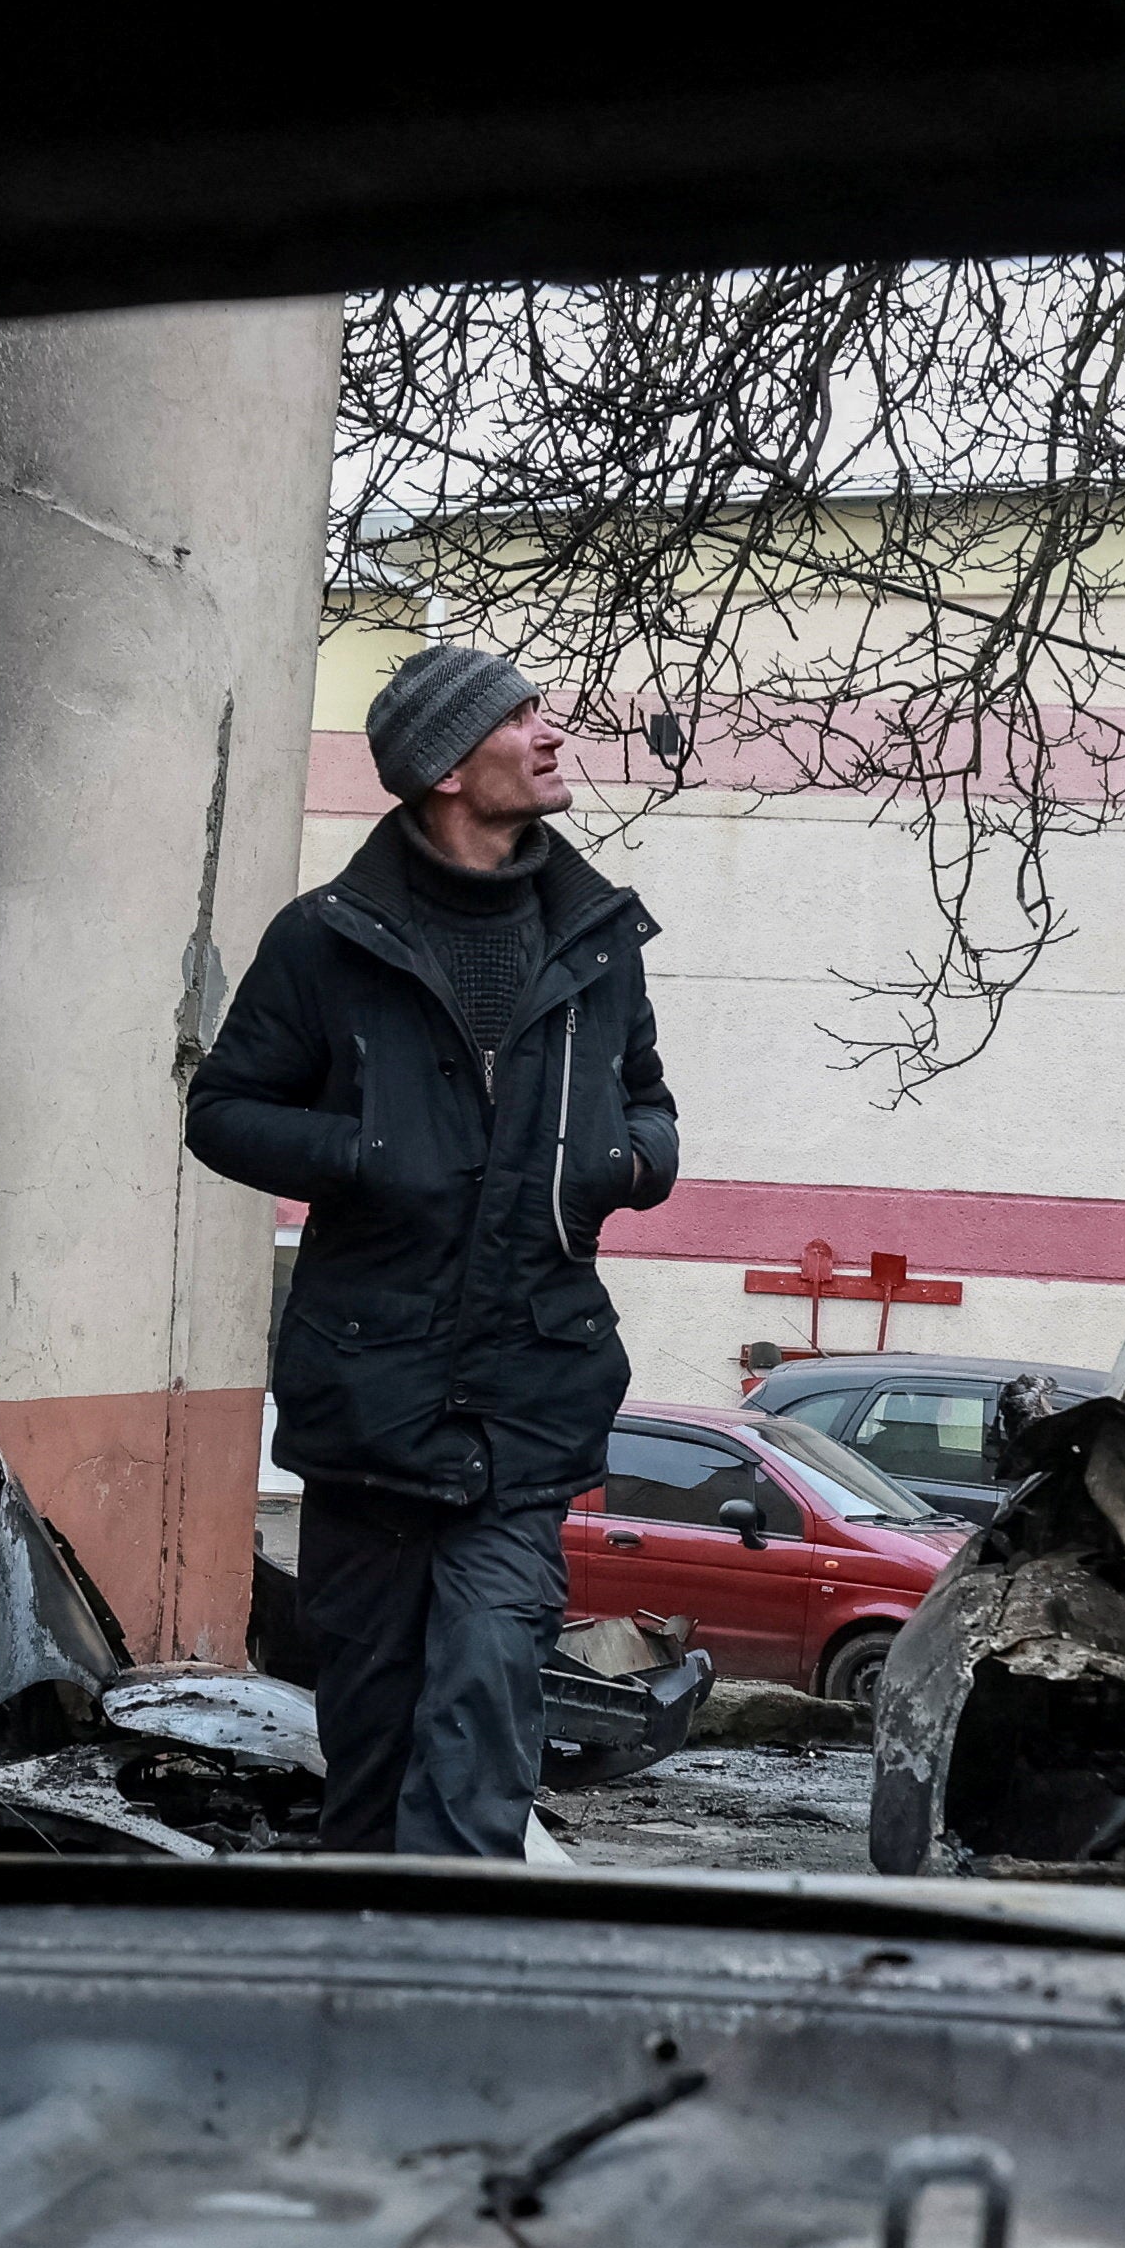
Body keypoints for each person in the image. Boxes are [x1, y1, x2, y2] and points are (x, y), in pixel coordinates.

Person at [184, 644, 677, 1853]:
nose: (551, 733)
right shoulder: (327, 939)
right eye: (520, 717)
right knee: (374, 1739)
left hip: (529, 1401)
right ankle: (360, 1949)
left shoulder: (596, 937)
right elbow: (224, 1112)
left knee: (484, 1706)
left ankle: (450, 1950)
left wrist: (627, 1161)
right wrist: (365, 1153)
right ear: (447, 768)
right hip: (373, 1405)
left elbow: (649, 1101)